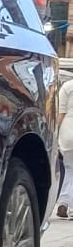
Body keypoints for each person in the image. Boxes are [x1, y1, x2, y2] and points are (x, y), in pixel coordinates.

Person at [58, 59, 73, 218]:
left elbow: (60, 113)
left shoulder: (67, 87)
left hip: (68, 133)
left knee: (69, 169)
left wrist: (55, 133)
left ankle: (64, 201)